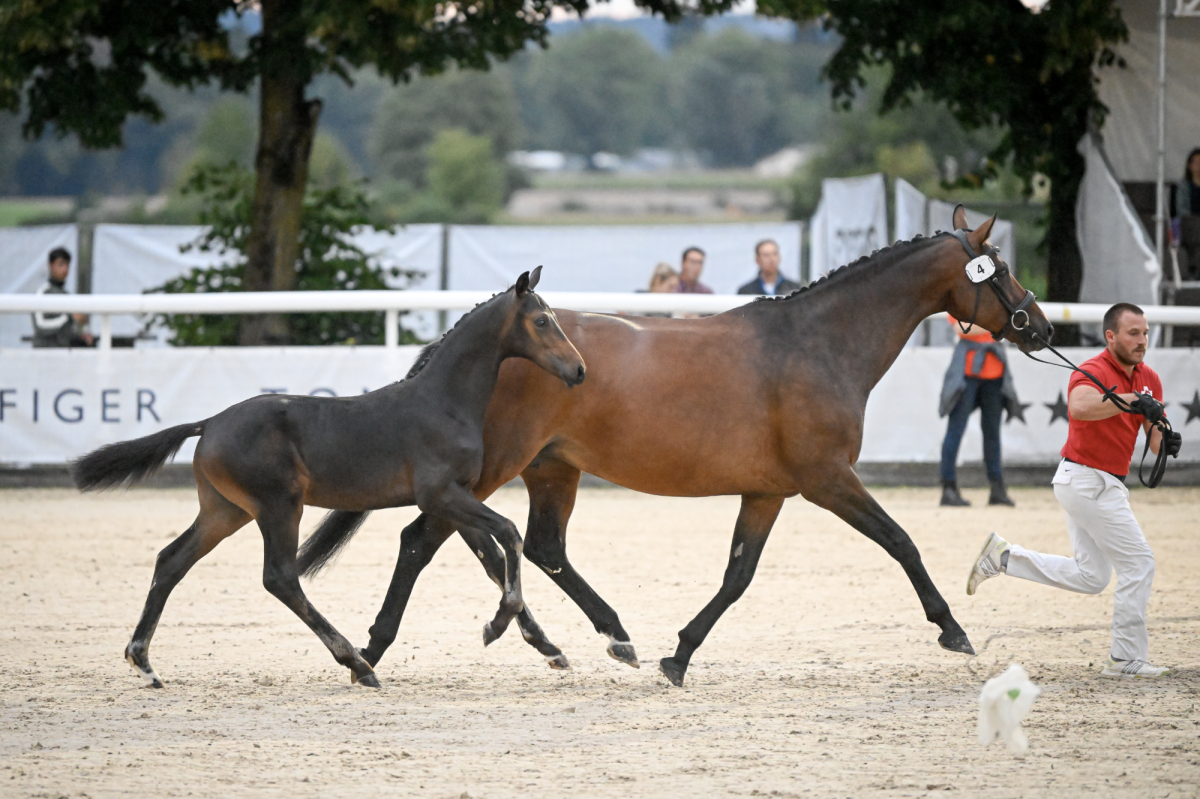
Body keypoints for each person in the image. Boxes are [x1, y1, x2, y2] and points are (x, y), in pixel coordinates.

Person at [967, 303, 1183, 679]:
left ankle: (1004, 558)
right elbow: (1080, 407)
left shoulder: (1150, 378)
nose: (1142, 341)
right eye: (1133, 333)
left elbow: (1152, 444)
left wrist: (1164, 435)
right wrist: (1133, 401)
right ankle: (1125, 658)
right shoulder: (1092, 371)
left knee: (1092, 577)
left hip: (1094, 483)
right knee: (1139, 563)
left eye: (1145, 333)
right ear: (1110, 336)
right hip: (1087, 480)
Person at [938, 317, 1020, 506]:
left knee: (992, 433)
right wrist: (1000, 322)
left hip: (993, 370)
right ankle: (948, 487)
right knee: (956, 430)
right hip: (967, 372)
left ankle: (997, 488)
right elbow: (962, 329)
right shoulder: (962, 294)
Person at [31, 247, 93, 348]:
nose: (65, 269)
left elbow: (65, 332)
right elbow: (40, 327)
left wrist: (82, 336)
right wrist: (69, 316)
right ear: (51, 265)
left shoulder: (66, 295)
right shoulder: (42, 293)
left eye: (67, 264)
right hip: (44, 353)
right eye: (60, 264)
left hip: (63, 353)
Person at [737, 239, 803, 296]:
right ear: (757, 260)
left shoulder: (794, 289)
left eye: (774, 254)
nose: (771, 259)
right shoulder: (747, 291)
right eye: (766, 255)